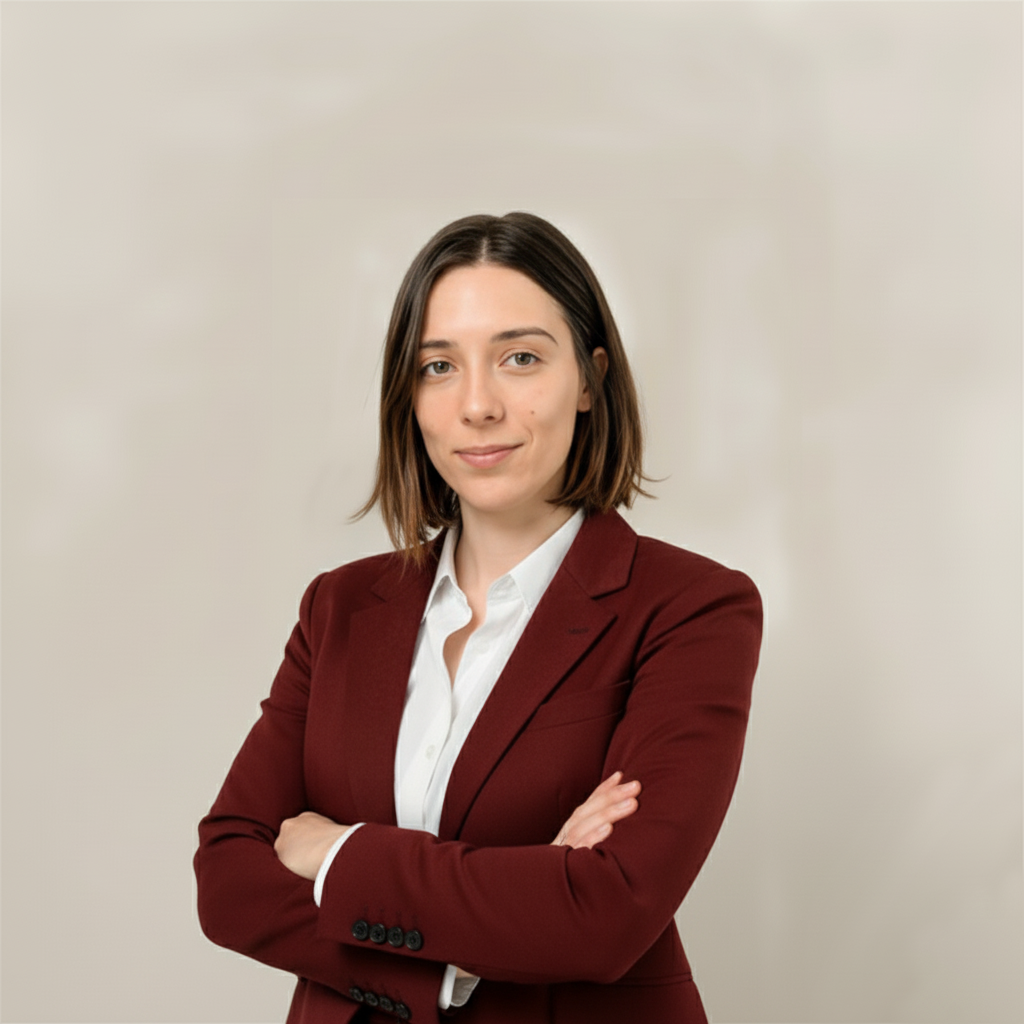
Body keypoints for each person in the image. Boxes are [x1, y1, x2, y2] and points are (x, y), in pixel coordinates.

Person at [195, 212, 763, 1024]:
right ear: (410, 396)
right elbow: (229, 881)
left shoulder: (690, 608)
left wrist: (336, 853)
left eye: (520, 359)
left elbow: (605, 915)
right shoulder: (342, 606)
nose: (477, 405)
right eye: (438, 366)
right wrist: (500, 913)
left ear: (591, 380)